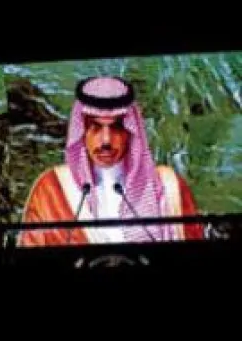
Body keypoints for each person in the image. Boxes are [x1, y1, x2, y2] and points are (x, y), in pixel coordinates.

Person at [19, 76, 204, 247]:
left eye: (116, 127)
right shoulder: (51, 190)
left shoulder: (168, 188)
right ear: (81, 130)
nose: (106, 140)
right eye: (95, 127)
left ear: (130, 132)